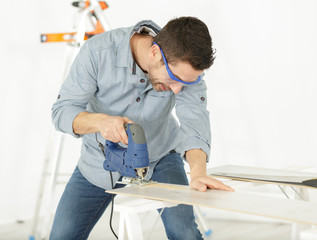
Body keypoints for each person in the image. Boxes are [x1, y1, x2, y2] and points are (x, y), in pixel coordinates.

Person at [50, 16, 234, 240]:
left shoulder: (186, 69)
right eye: (174, 78)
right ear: (155, 53)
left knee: (184, 234)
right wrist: (100, 121)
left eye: (185, 83)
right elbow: (62, 111)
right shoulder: (97, 52)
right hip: (99, 160)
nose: (177, 90)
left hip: (160, 157)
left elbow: (194, 120)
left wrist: (198, 172)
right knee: (62, 236)